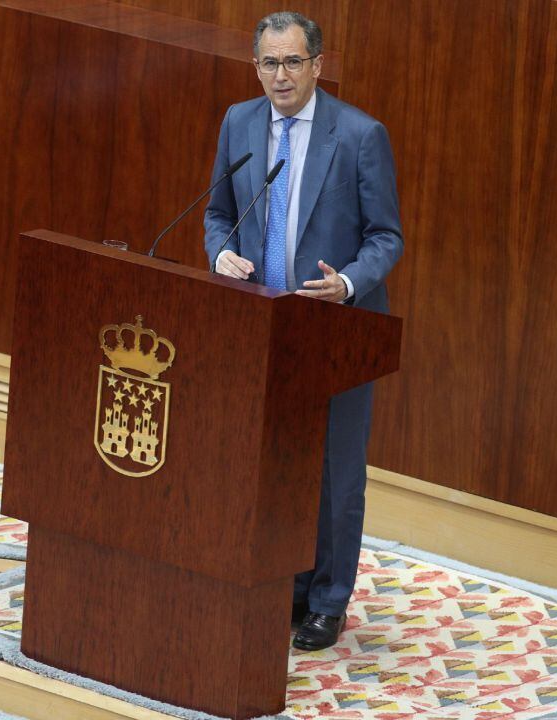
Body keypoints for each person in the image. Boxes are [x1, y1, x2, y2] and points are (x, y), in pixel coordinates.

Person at [203, 11, 403, 651]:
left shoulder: (360, 134)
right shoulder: (239, 122)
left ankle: (328, 600)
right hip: (262, 322)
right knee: (274, 457)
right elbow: (217, 213)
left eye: (293, 62)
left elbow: (386, 237)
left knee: (335, 469)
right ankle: (284, 582)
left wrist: (347, 283)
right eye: (269, 62)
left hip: (335, 326)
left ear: (318, 65)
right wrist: (220, 254)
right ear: (254, 66)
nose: (280, 75)